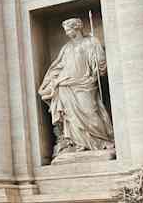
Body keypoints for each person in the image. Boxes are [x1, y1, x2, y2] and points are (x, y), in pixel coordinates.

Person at [39, 18, 115, 159]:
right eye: (66, 31)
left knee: (90, 110)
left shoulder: (91, 42)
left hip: (85, 83)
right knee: (70, 116)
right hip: (66, 84)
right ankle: (78, 142)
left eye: (69, 29)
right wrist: (52, 80)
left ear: (77, 28)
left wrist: (97, 69)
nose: (67, 33)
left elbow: (100, 61)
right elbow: (59, 65)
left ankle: (102, 140)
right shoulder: (66, 48)